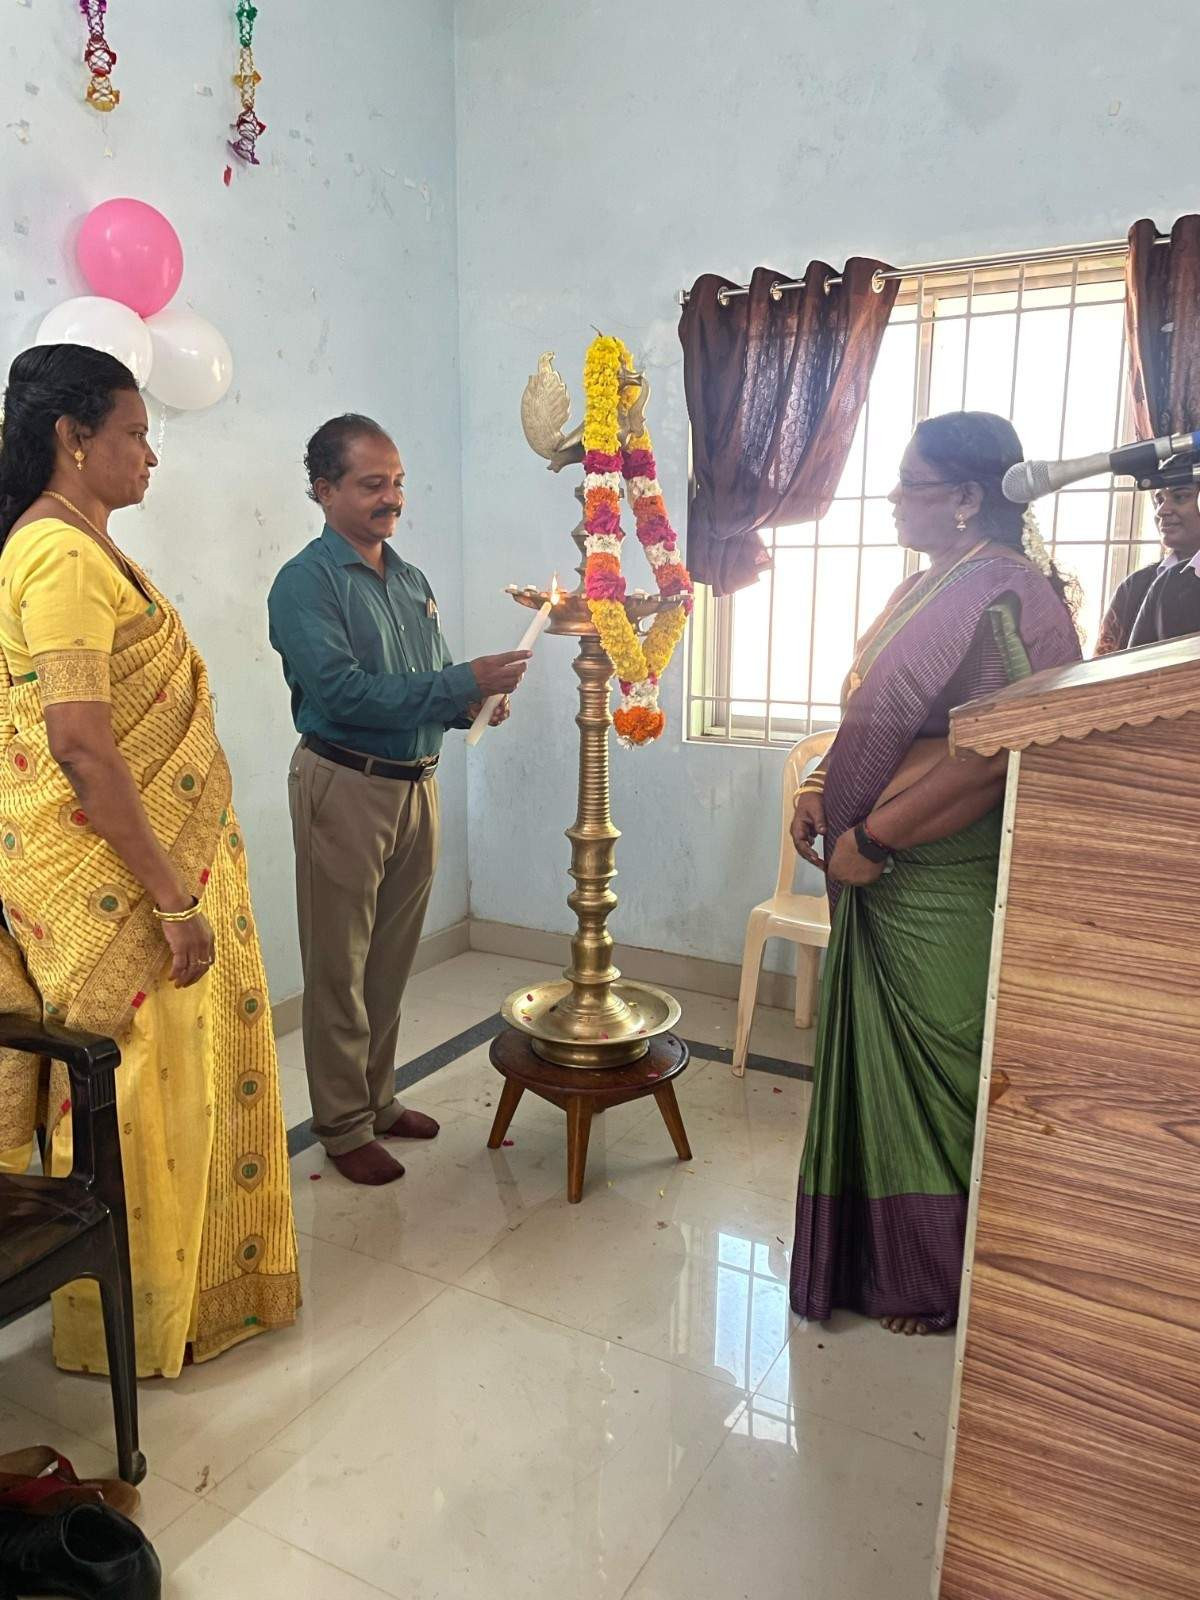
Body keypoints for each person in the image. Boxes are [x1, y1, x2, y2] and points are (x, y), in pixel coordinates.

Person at [0, 344, 298, 1378]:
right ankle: (128, 1328)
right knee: (141, 1093)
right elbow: (80, 744)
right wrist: (171, 898)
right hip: (116, 884)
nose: (150, 454)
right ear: (72, 438)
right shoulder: (59, 555)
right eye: (134, 432)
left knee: (183, 1083)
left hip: (144, 865)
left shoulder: (82, 545)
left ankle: (191, 1303)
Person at [789, 411, 1082, 1336]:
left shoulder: (1009, 596)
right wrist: (820, 784)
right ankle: (884, 1262)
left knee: (946, 1068)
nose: (891, 499)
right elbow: (873, 722)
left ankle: (950, 1274)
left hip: (939, 876)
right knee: (883, 1069)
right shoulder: (922, 587)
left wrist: (875, 839)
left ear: (963, 498)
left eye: (908, 485)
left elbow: (990, 757)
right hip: (878, 865)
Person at [267, 415, 529, 1187]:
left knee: (387, 962)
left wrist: (470, 704)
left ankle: (378, 1101)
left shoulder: (411, 581)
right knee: (339, 966)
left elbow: (424, 685)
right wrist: (458, 683)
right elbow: (342, 694)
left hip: (417, 786)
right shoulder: (306, 583)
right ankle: (343, 1125)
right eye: (372, 484)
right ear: (325, 490)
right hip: (345, 785)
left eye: (399, 482)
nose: (392, 498)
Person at [1095, 484, 1200, 654]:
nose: (1161, 511)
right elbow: (1103, 663)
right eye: (1159, 500)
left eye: (1180, 497)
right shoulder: (1133, 586)